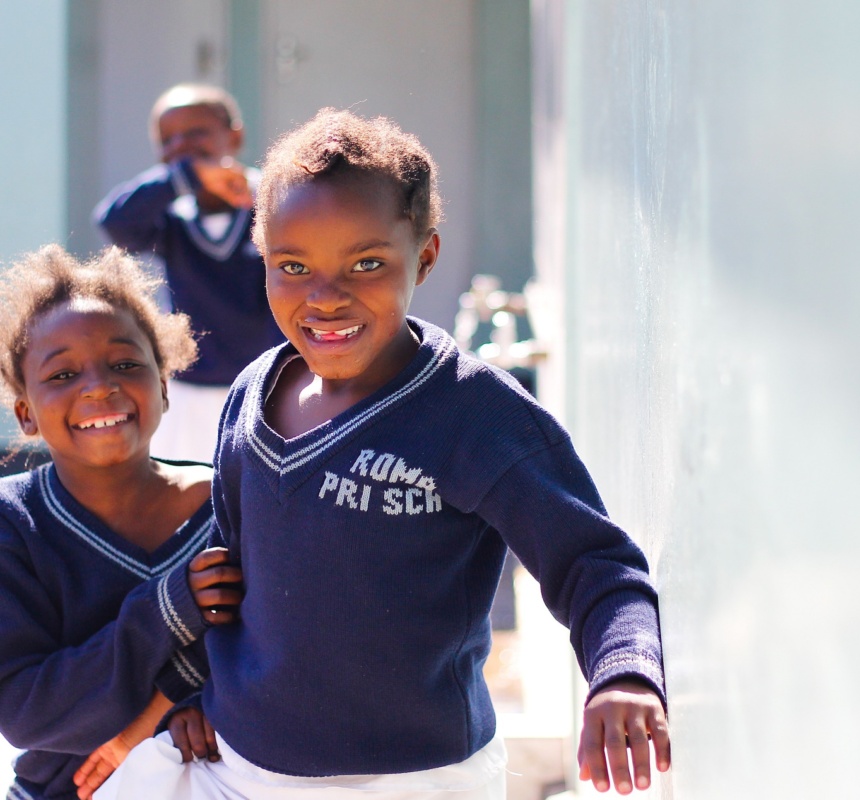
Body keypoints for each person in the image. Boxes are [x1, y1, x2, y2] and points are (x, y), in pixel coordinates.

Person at [96, 108, 671, 799]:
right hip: (244, 765)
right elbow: (223, 575)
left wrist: (625, 674)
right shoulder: (251, 394)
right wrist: (185, 693)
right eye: (293, 266)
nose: (325, 297)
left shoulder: (472, 412)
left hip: (416, 778)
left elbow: (595, 562)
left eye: (366, 263)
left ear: (423, 257)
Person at [0, 245, 233, 800]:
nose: (99, 386)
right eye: (62, 373)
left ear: (164, 385)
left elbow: (274, 651)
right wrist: (166, 611)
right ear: (26, 412)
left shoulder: (231, 504)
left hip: (225, 780)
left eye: (126, 364)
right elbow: (27, 711)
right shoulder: (13, 523)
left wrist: (192, 704)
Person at [93, 83, 282, 463]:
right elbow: (115, 222)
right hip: (188, 392)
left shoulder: (274, 201)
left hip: (267, 386)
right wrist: (185, 177)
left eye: (196, 132)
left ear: (235, 135)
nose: (181, 145)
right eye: (168, 139)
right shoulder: (171, 218)